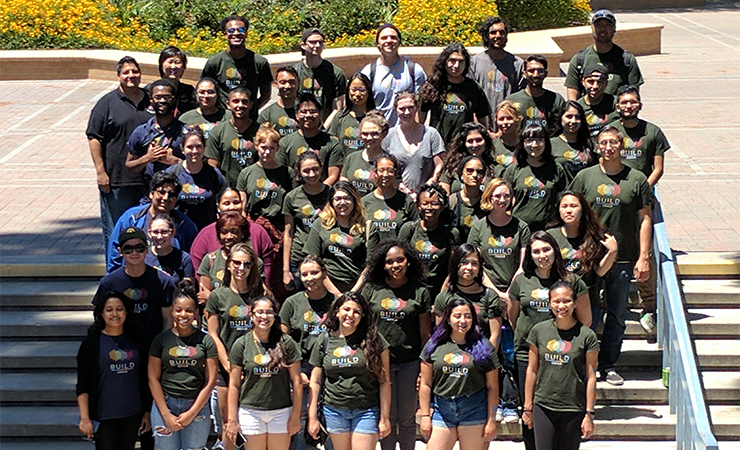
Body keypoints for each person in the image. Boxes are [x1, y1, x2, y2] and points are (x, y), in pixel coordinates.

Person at [569, 126, 653, 386]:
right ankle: (586, 365)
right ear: (597, 146)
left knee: (617, 315)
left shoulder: (636, 178)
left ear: (622, 145)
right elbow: (571, 211)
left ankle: (608, 365)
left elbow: (645, 218)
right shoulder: (585, 177)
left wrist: (644, 256)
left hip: (624, 260)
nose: (608, 147)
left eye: (613, 142)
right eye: (603, 142)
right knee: (588, 315)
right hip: (589, 260)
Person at [508, 231, 591, 450]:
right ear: (529, 255)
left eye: (546, 249)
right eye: (536, 251)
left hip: (564, 353)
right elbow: (513, 316)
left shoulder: (573, 281)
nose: (542, 255)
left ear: (556, 250)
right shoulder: (522, 280)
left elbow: (586, 320)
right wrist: (534, 338)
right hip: (528, 355)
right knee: (529, 412)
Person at [361, 240, 431, 450]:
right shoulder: (372, 289)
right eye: (389, 261)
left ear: (408, 261)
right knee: (387, 416)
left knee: (408, 418)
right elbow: (364, 327)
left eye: (400, 259)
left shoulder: (420, 291)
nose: (395, 265)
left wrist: (423, 367)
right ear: (383, 265)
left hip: (409, 363)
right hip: (380, 364)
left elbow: (425, 333)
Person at [205, 243, 269, 450]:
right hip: (226, 368)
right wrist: (228, 364)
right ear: (229, 265)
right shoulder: (218, 295)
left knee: (255, 423)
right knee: (229, 424)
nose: (241, 268)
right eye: (237, 263)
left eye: (246, 264)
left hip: (255, 365)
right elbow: (213, 333)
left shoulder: (261, 294)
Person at [307, 293, 392, 450]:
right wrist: (312, 417)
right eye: (346, 309)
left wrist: (385, 418)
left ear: (363, 315)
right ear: (337, 312)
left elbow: (384, 381)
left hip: (366, 411)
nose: (350, 315)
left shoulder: (374, 340)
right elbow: (315, 381)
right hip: (334, 411)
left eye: (356, 311)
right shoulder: (324, 340)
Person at [521, 281, 598, 450]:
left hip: (573, 407)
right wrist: (528, 407)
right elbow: (532, 370)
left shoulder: (587, 335)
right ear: (549, 304)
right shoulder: (538, 331)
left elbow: (591, 376)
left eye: (566, 301)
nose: (561, 306)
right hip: (543, 405)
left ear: (575, 303)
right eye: (556, 301)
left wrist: (589, 413)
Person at [87, 56, 152, 251]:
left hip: (148, 179)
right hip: (117, 181)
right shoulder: (106, 104)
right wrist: (101, 172)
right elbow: (93, 138)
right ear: (118, 76)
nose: (131, 76)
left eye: (135, 71)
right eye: (126, 72)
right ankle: (114, 276)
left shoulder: (150, 99)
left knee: (148, 230)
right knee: (117, 232)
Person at [418, 298, 499, 450]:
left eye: (468, 316)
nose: (463, 320)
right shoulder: (434, 345)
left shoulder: (484, 346)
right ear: (448, 319)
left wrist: (491, 420)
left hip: (474, 409)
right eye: (457, 316)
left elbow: (492, 386)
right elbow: (425, 383)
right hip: (442, 410)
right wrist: (425, 417)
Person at [225, 296, 303, 449]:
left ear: (275, 315)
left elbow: (297, 382)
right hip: (251, 411)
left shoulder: (287, 342)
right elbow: (234, 385)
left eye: (269, 312)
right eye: (259, 312)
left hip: (281, 411)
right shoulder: (241, 344)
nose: (264, 317)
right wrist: (232, 419)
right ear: (251, 315)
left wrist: (295, 415)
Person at [148, 280, 218, 450]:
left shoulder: (205, 341)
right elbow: (152, 377)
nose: (183, 315)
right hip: (165, 403)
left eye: (188, 310)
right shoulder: (161, 340)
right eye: (178, 310)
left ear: (195, 313)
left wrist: (192, 412)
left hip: (196, 405)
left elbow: (210, 380)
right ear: (172, 311)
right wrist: (165, 414)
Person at [77, 292, 151, 450]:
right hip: (104, 416)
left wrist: (147, 411)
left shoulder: (137, 340)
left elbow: (144, 379)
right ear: (101, 313)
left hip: (133, 413)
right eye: (109, 309)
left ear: (126, 312)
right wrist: (84, 418)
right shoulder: (91, 345)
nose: (115, 314)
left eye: (119, 309)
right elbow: (83, 385)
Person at [280, 256, 336, 450]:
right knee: (301, 420)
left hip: (331, 369)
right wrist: (295, 372)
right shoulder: (291, 303)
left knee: (330, 421)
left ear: (324, 273)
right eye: (304, 274)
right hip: (301, 369)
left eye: (314, 273)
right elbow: (283, 342)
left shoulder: (336, 304)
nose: (309, 278)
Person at [107, 172, 198, 273]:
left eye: (171, 195)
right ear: (151, 194)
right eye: (161, 192)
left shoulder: (185, 224)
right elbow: (115, 253)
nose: (165, 198)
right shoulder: (131, 218)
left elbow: (193, 259)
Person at [189, 186, 275, 282]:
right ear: (218, 207)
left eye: (236, 202)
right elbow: (196, 264)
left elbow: (267, 264)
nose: (232, 207)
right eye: (226, 203)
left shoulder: (258, 231)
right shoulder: (206, 233)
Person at [467, 178, 530, 302]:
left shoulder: (521, 227)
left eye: (506, 196)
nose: (502, 200)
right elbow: (476, 265)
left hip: (515, 291)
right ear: (489, 197)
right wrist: (498, 294)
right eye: (497, 196)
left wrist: (509, 293)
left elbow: (522, 266)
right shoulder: (478, 228)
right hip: (485, 291)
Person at [302, 181, 367, 294]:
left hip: (358, 287)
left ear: (354, 200)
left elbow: (370, 266)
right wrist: (336, 293)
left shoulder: (365, 226)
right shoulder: (320, 224)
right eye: (337, 199)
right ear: (331, 202)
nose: (342, 202)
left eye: (347, 198)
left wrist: (353, 292)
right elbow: (313, 261)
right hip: (327, 287)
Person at [201, 14, 272, 117]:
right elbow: (203, 90)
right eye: (231, 30)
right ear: (225, 35)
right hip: (223, 119)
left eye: (241, 30)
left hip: (250, 121)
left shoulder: (259, 62)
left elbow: (266, 94)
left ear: (246, 33)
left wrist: (251, 109)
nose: (236, 33)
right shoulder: (215, 62)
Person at [419, 43, 491, 144]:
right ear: (444, 62)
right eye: (452, 61)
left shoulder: (473, 88)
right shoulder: (433, 85)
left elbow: (482, 118)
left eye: (461, 62)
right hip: (437, 145)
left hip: (464, 145)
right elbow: (421, 116)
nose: (456, 65)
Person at [564, 9, 643, 101]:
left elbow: (633, 96)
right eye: (598, 25)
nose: (602, 29)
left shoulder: (627, 60)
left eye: (607, 25)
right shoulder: (579, 60)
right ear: (592, 28)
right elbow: (572, 97)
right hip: (588, 113)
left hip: (615, 113)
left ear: (614, 29)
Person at [433, 244, 503, 348]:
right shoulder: (444, 297)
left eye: (474, 263)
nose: (469, 268)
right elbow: (441, 333)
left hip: (480, 354)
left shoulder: (490, 296)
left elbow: (495, 336)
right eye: (464, 263)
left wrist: (488, 359)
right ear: (455, 264)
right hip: (452, 356)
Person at [545, 191, 618, 290]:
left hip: (587, 295)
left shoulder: (594, 236)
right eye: (564, 206)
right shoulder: (550, 236)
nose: (569, 210)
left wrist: (612, 252)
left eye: (574, 206)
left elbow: (599, 271)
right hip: (558, 296)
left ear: (583, 209)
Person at [503, 124, 568, 232]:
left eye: (539, 140)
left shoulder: (556, 169)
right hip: (519, 229)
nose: (534, 145)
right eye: (529, 140)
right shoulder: (514, 169)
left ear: (546, 142)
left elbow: (562, 198)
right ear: (523, 143)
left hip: (547, 229)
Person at [397, 183, 460, 294]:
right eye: (424, 203)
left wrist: (442, 296)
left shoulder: (451, 233)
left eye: (434, 203)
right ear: (418, 206)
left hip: (439, 290)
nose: (429, 208)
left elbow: (452, 268)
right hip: (413, 291)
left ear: (442, 206)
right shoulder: (408, 229)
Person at [282, 153, 332, 291]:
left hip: (326, 257)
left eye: (315, 169)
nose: (311, 174)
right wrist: (286, 270)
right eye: (306, 170)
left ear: (322, 168)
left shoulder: (332, 195)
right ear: (298, 172)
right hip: (299, 257)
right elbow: (288, 233)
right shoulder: (291, 197)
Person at [360, 24, 426, 126]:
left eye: (393, 37)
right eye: (384, 38)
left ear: (399, 42)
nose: (389, 40)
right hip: (378, 133)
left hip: (406, 133)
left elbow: (421, 105)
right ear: (377, 43)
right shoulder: (368, 72)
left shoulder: (414, 70)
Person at [470, 16, 525, 132]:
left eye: (502, 32)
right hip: (482, 128)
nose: (498, 36)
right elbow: (471, 98)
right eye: (493, 32)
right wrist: (481, 127)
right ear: (486, 36)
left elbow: (520, 100)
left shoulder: (517, 65)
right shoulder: (474, 63)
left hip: (508, 128)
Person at [166, 125, 227, 230]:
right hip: (179, 231)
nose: (194, 151)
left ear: (204, 148)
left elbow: (224, 198)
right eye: (189, 147)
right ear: (182, 149)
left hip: (206, 231)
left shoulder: (213, 174)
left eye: (198, 146)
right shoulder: (172, 173)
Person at [382, 93, 445, 194]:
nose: (407, 112)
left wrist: (426, 188)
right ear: (395, 109)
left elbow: (439, 165)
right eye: (402, 109)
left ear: (417, 108)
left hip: (425, 196)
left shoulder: (431, 134)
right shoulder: (388, 136)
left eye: (410, 108)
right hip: (396, 194)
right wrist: (402, 187)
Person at [277, 93, 344, 186]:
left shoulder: (332, 143)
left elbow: (333, 176)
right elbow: (282, 175)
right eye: (304, 112)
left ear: (320, 114)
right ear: (296, 115)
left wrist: (316, 191)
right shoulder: (284, 143)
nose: (308, 115)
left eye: (313, 111)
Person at [237, 123, 294, 229]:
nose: (267, 152)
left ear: (277, 148)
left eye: (271, 148)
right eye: (263, 147)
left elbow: (291, 204)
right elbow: (243, 208)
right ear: (256, 147)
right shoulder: (246, 173)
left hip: (278, 226)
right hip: (253, 225)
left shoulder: (287, 172)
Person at [612, 85, 670, 185]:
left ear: (640, 105)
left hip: (644, 185)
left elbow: (658, 168)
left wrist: (644, 189)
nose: (629, 106)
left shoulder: (653, 131)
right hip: (616, 187)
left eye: (633, 102)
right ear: (617, 107)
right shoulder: (610, 131)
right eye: (624, 103)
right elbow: (602, 163)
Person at [125, 78, 184, 176]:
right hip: (151, 188)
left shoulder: (185, 131)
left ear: (173, 99)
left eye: (167, 97)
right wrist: (148, 158)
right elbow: (129, 167)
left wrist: (176, 161)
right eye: (158, 97)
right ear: (151, 100)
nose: (162, 101)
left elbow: (198, 165)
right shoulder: (141, 132)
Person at [206, 86, 262, 188]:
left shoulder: (261, 132)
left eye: (244, 102)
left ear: (251, 105)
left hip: (254, 187)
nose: (240, 105)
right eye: (235, 101)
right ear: (228, 104)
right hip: (227, 190)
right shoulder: (218, 132)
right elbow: (212, 166)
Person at [363, 153, 418, 249]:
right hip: (373, 256)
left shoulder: (406, 200)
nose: (385, 174)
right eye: (381, 170)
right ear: (375, 172)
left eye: (390, 170)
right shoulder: (365, 202)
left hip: (398, 258)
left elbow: (416, 228)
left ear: (396, 173)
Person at [197, 212, 255, 301]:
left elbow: (256, 294)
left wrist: (215, 299)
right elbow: (203, 296)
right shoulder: (210, 260)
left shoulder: (252, 260)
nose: (229, 236)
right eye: (224, 232)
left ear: (242, 233)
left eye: (234, 232)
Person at [296, 27, 348, 122]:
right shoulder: (295, 72)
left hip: (325, 128)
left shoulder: (335, 73)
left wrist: (324, 129)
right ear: (303, 45)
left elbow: (337, 109)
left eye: (320, 42)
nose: (317, 45)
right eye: (312, 42)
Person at [506, 55, 565, 137]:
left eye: (540, 71)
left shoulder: (556, 100)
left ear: (545, 74)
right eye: (531, 71)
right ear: (524, 74)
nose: (535, 75)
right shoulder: (512, 100)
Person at [440, 122, 501, 195]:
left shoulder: (496, 169)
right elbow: (444, 195)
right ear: (463, 143)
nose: (475, 145)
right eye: (470, 141)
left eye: (478, 140)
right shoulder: (451, 167)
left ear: (486, 142)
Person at [328, 72, 376, 157]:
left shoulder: (375, 118)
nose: (357, 94)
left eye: (362, 90)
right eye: (354, 90)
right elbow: (333, 144)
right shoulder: (340, 117)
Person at [340, 112, 388, 196]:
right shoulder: (351, 158)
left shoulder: (388, 161)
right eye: (365, 134)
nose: (369, 138)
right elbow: (343, 185)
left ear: (384, 133)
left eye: (374, 133)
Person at [550, 102, 597, 182]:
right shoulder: (551, 144)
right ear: (561, 118)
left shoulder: (590, 144)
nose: (573, 121)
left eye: (577, 117)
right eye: (569, 116)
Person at [447, 156, 488, 243]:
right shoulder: (452, 201)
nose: (474, 175)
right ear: (461, 174)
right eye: (469, 171)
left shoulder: (488, 201)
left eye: (479, 172)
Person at [145, 214, 195, 285]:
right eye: (155, 232)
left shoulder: (184, 259)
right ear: (149, 233)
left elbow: (188, 291)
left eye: (164, 232)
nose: (159, 237)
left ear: (172, 233)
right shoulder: (143, 257)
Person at [150, 46, 197, 117]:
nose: (173, 66)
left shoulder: (189, 92)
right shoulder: (151, 89)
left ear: (183, 67)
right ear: (161, 65)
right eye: (170, 62)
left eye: (177, 62)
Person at [576, 65, 618, 141]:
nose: (595, 86)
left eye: (600, 82)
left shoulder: (616, 103)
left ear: (606, 83)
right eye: (591, 82)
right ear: (583, 82)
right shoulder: (578, 107)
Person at [258, 66, 300, 137]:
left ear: (298, 83)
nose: (287, 86)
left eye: (291, 82)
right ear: (276, 84)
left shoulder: (307, 111)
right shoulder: (267, 115)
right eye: (283, 82)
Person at [490, 100, 520, 171]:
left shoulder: (525, 144)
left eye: (509, 118)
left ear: (517, 120)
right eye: (501, 119)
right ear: (496, 121)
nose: (505, 122)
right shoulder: (492, 146)